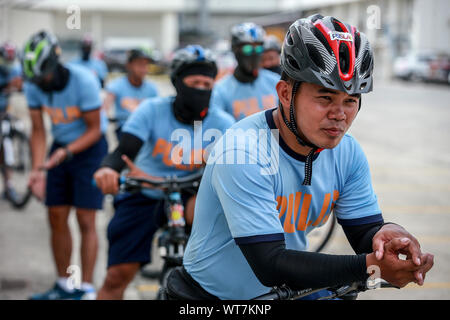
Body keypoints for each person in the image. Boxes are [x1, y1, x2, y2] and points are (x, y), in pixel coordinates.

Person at [172, 14, 434, 300]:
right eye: (325, 98)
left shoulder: (347, 151)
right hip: (211, 297)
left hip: (285, 290)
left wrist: (388, 235)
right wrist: (369, 267)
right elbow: (270, 263)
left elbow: (364, 231)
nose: (339, 115)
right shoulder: (241, 150)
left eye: (350, 100)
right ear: (285, 93)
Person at [93, 45, 235, 300]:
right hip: (144, 192)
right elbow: (123, 151)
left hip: (192, 195)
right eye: (195, 82)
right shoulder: (151, 110)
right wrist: (107, 170)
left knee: (214, 279)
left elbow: (235, 170)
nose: (201, 89)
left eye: (207, 83)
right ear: (178, 83)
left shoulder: (223, 123)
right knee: (118, 275)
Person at [22, 30, 108, 300]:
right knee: (56, 216)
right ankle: (63, 286)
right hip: (59, 149)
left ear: (55, 64)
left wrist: (68, 152)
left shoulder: (84, 81)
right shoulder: (33, 85)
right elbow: (38, 130)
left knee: (85, 218)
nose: (40, 83)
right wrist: (37, 171)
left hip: (89, 150)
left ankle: (87, 288)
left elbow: (95, 130)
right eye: (35, 78)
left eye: (43, 75)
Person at [210, 22, 279, 121]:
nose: (254, 53)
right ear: (235, 50)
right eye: (248, 48)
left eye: (258, 48)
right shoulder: (220, 91)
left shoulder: (275, 82)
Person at [102, 48, 159, 140]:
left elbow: (158, 113)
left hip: (146, 130)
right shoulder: (116, 86)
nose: (143, 68)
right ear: (129, 65)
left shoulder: (152, 89)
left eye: (146, 65)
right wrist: (103, 123)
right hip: (125, 130)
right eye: (140, 64)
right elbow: (105, 108)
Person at [0, 41, 23, 201]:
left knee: (7, 149)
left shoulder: (15, 69)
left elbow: (22, 84)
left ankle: (9, 186)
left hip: (4, 113)